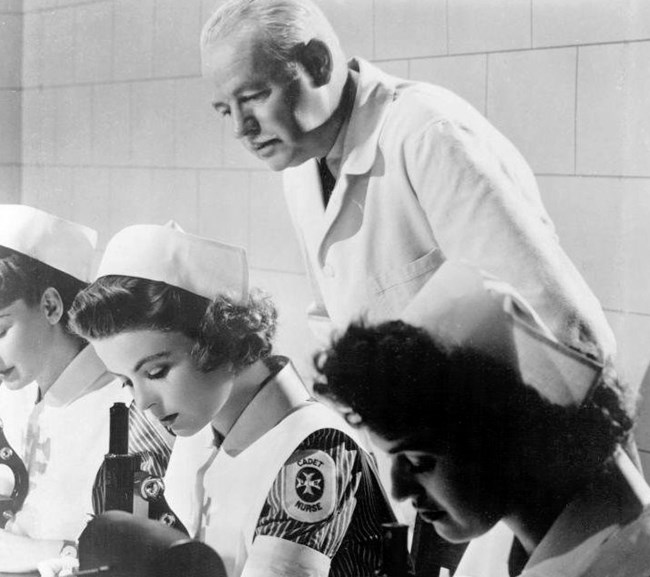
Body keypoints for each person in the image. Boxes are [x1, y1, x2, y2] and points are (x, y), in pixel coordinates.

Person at [200, 2, 618, 572]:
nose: (240, 129)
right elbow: (340, 322)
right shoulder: (302, 169)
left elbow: (564, 332)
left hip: (526, 492)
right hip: (439, 491)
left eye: (252, 98)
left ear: (319, 63)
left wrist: (515, 498)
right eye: (224, 110)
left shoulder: (425, 134)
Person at [68, 223, 394, 577]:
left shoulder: (316, 448)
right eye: (127, 383)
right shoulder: (203, 428)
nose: (144, 403)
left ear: (223, 338)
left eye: (156, 372)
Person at [314, 261, 650, 577]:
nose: (400, 491)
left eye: (419, 461)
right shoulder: (518, 535)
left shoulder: (625, 562)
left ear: (505, 435)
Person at [0, 205, 171, 573]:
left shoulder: (130, 408)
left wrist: (59, 552)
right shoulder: (13, 392)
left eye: (0, 331)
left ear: (50, 306)